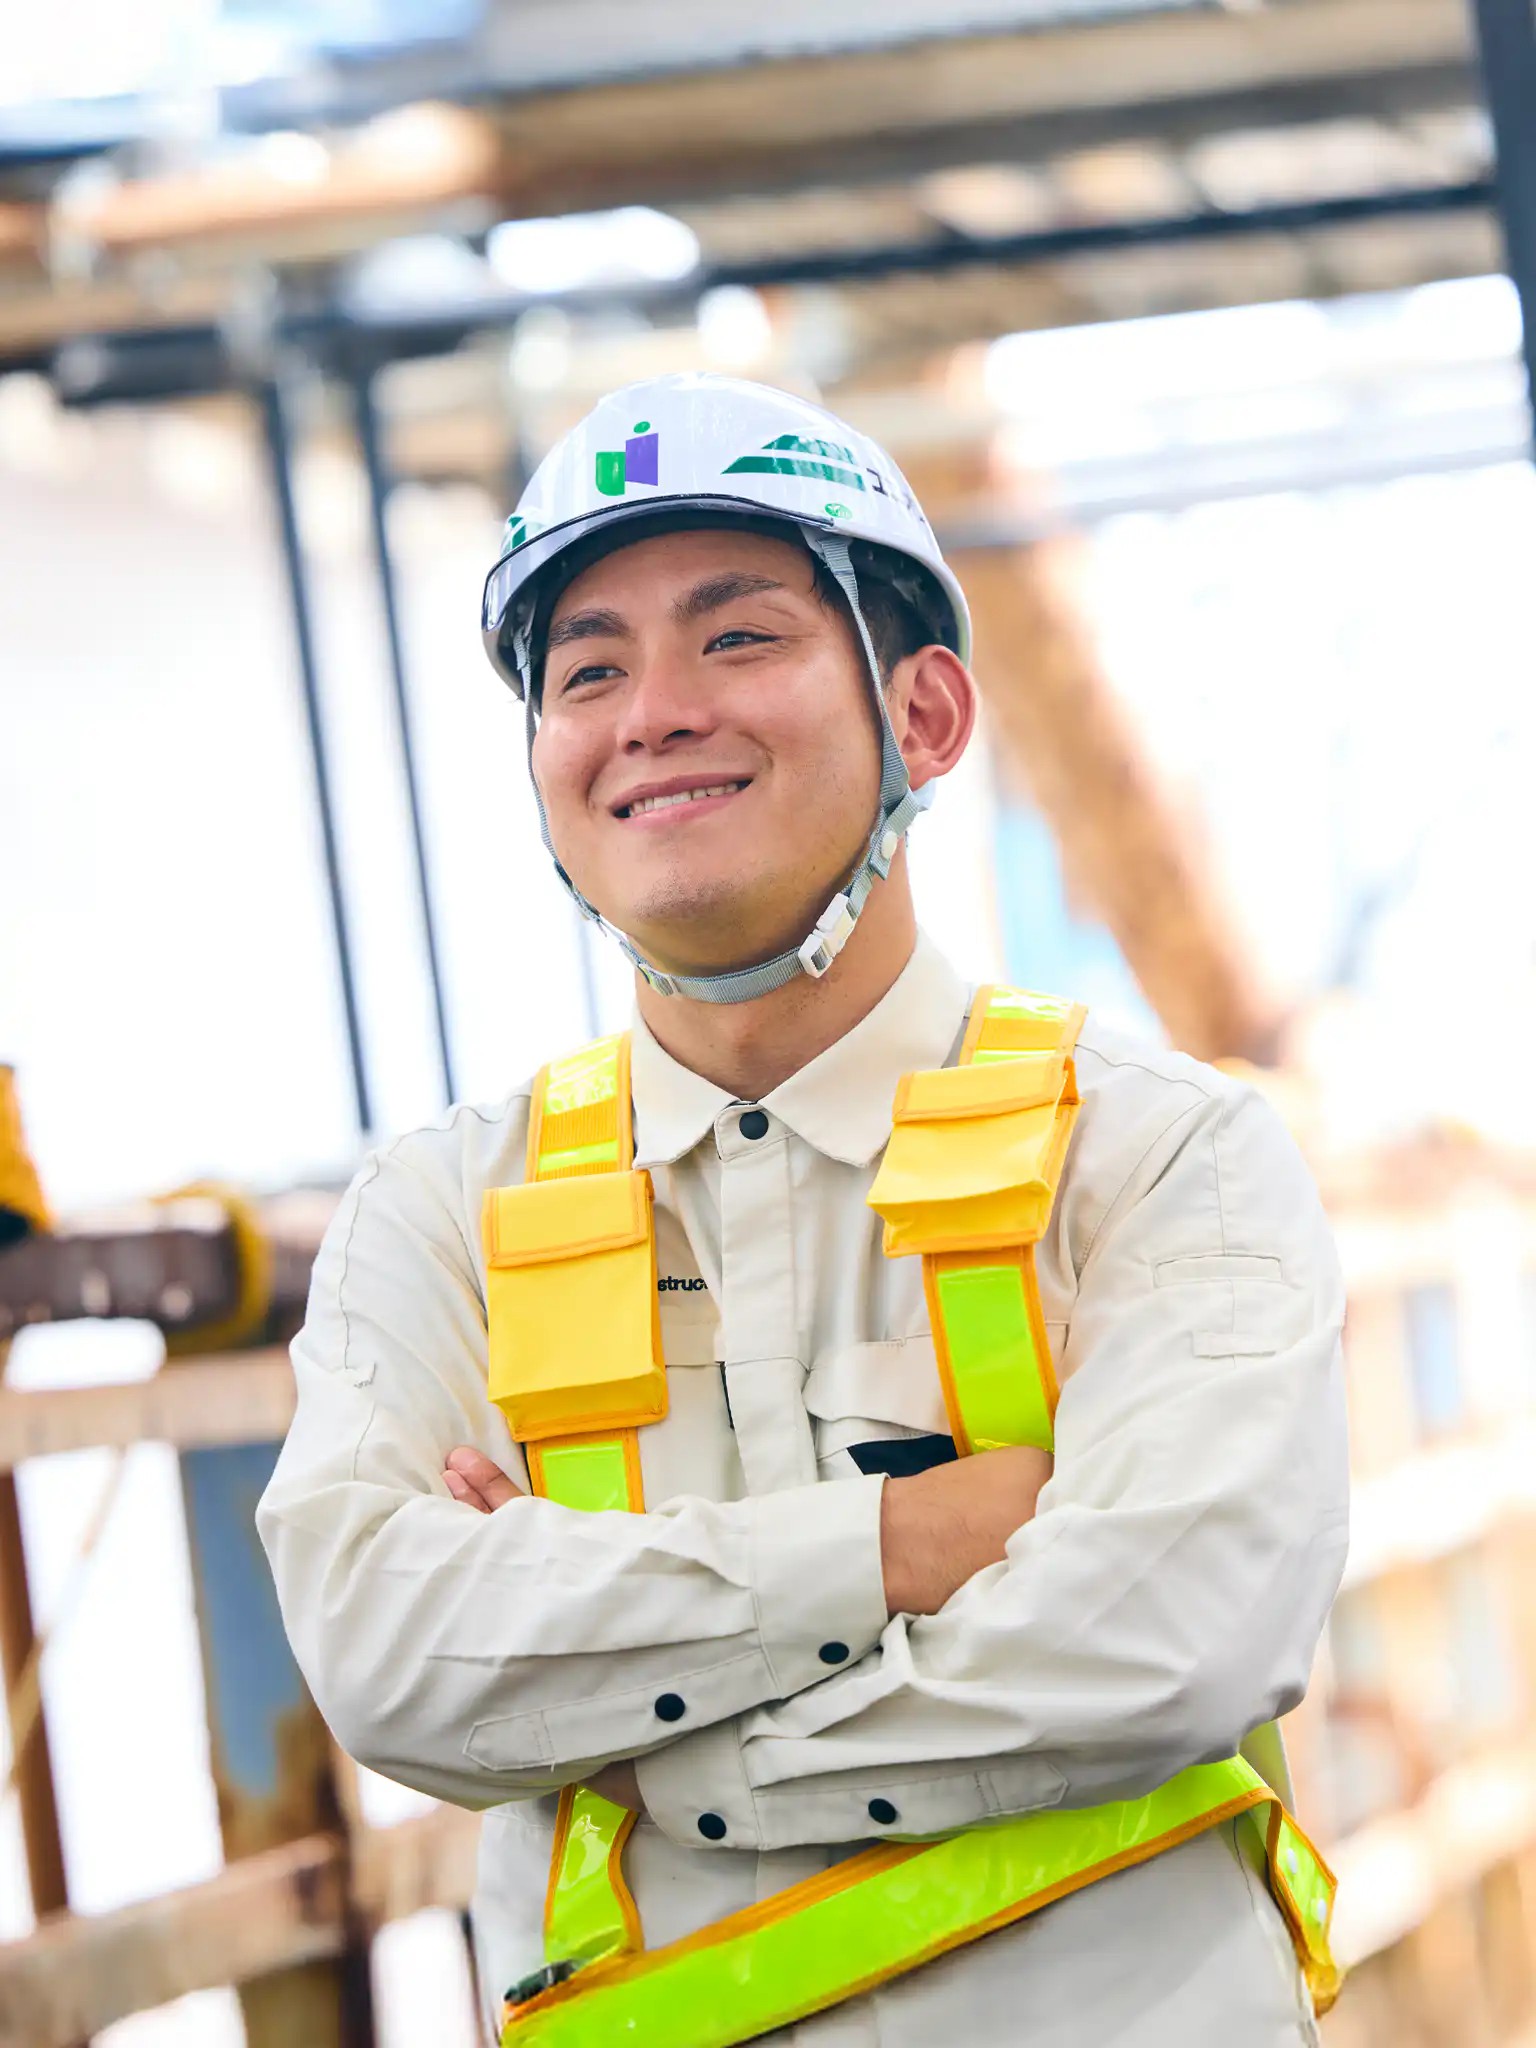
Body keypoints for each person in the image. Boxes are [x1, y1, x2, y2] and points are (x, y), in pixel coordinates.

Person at [256, 372, 1349, 2047]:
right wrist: (904, 1548)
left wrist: (631, 1724)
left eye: (738, 637)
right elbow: (394, 1661)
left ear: (925, 719)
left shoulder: (1161, 1155)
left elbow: (1176, 1636)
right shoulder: (440, 1216)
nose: (654, 712)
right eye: (588, 669)